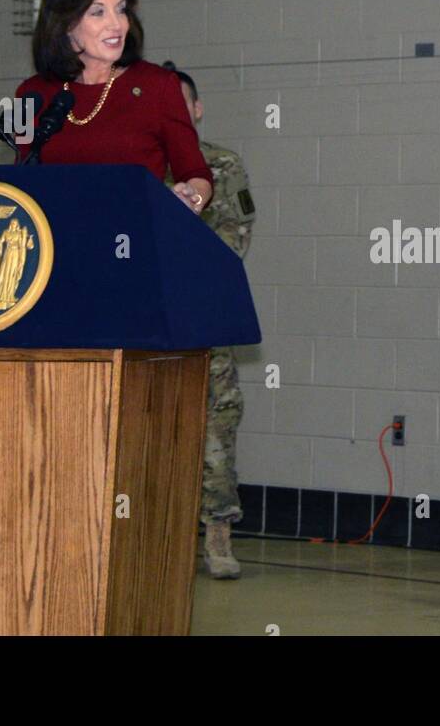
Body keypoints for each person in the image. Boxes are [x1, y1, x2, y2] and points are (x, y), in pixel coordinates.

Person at [15, 0, 213, 212]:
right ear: (65, 25)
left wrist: (191, 198)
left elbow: (197, 174)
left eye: (120, 9)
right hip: (55, 243)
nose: (116, 24)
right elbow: (22, 179)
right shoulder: (34, 93)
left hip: (132, 241)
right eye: (98, 12)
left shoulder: (157, 86)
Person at [163, 61, 255, 580]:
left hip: (203, 323)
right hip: (147, 327)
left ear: (196, 111)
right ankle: (156, 534)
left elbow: (232, 242)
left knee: (216, 431)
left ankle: (217, 536)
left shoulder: (221, 165)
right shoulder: (140, 164)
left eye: (181, 104)